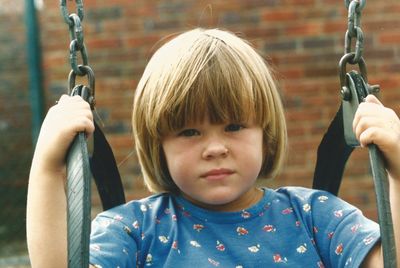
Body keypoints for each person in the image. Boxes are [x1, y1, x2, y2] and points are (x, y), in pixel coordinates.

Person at [26, 28, 400, 268]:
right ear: (160, 145)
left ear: (265, 134)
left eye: (234, 126)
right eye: (189, 132)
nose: (215, 148)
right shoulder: (136, 231)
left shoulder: (316, 217)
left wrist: (398, 169)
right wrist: (47, 168)